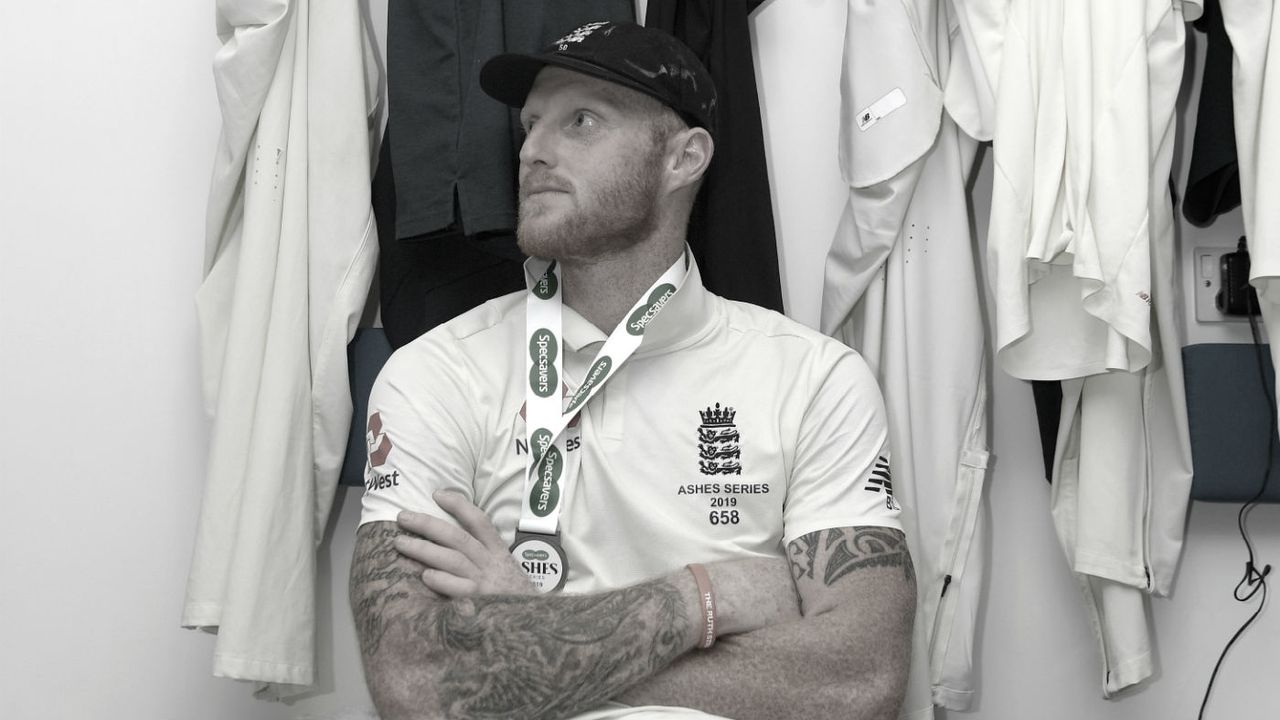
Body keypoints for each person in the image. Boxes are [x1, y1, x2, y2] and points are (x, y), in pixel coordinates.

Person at [350, 20, 915, 720]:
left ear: (684, 158)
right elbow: (414, 682)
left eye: (580, 121)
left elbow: (857, 683)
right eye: (530, 125)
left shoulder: (817, 379)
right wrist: (705, 598)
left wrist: (528, 624)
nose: (533, 152)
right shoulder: (432, 374)